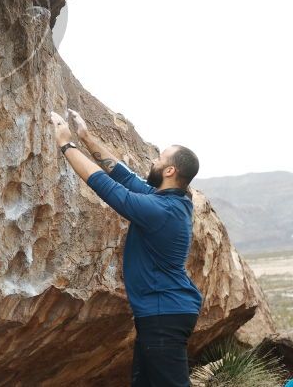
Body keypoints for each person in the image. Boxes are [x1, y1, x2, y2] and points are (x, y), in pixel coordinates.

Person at [50, 108, 202, 387]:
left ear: (169, 170)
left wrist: (66, 144)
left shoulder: (161, 210)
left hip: (164, 314)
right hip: (162, 313)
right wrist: (86, 137)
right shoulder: (170, 200)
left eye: (159, 159)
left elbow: (110, 189)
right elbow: (125, 177)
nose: (153, 161)